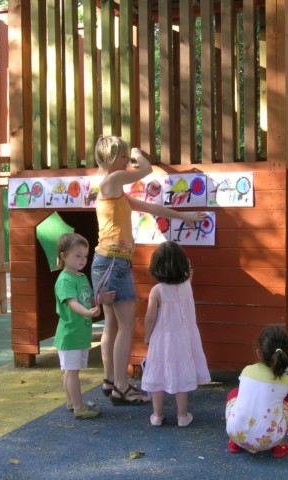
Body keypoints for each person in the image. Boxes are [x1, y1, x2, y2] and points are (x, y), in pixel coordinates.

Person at [91, 135, 208, 406]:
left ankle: (110, 380)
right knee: (127, 324)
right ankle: (121, 385)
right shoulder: (110, 181)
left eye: (126, 158)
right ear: (111, 158)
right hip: (113, 263)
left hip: (108, 262)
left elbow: (150, 206)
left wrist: (186, 217)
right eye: (122, 158)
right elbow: (145, 170)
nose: (126, 162)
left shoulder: (115, 190)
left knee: (112, 324)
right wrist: (138, 155)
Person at [141, 241, 211, 427]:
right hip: (184, 339)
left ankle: (157, 415)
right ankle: (182, 416)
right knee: (181, 377)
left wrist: (147, 336)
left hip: (162, 339)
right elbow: (190, 271)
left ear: (155, 266)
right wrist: (185, 264)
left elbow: (149, 318)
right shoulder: (186, 285)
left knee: (157, 376)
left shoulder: (157, 291)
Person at [54, 233, 115, 419]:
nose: (82, 260)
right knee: (72, 373)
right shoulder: (65, 280)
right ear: (64, 256)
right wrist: (88, 312)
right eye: (77, 255)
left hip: (79, 334)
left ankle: (72, 402)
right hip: (70, 334)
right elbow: (72, 303)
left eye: (85, 256)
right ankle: (80, 407)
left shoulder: (80, 277)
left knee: (71, 371)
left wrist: (98, 299)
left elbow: (84, 299)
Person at [225, 325, 288, 457]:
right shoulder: (286, 380)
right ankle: (281, 445)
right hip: (268, 440)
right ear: (287, 356)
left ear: (259, 353)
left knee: (234, 393)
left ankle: (234, 442)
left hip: (235, 434)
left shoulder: (247, 370)